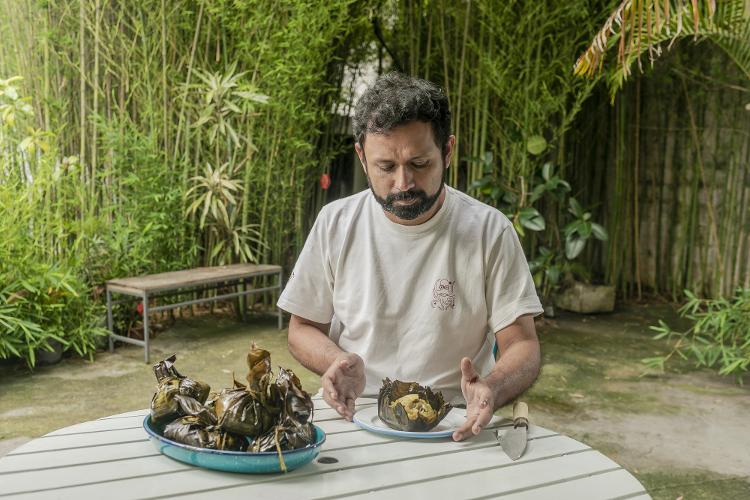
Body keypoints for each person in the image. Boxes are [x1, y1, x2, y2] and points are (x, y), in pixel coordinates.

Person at [277, 72, 543, 441]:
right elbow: (302, 327)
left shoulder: (488, 232)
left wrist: (492, 387)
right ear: (361, 156)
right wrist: (336, 361)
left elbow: (522, 344)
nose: (403, 183)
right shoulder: (335, 223)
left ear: (447, 151)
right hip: (352, 413)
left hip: (452, 424)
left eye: (419, 164)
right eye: (385, 166)